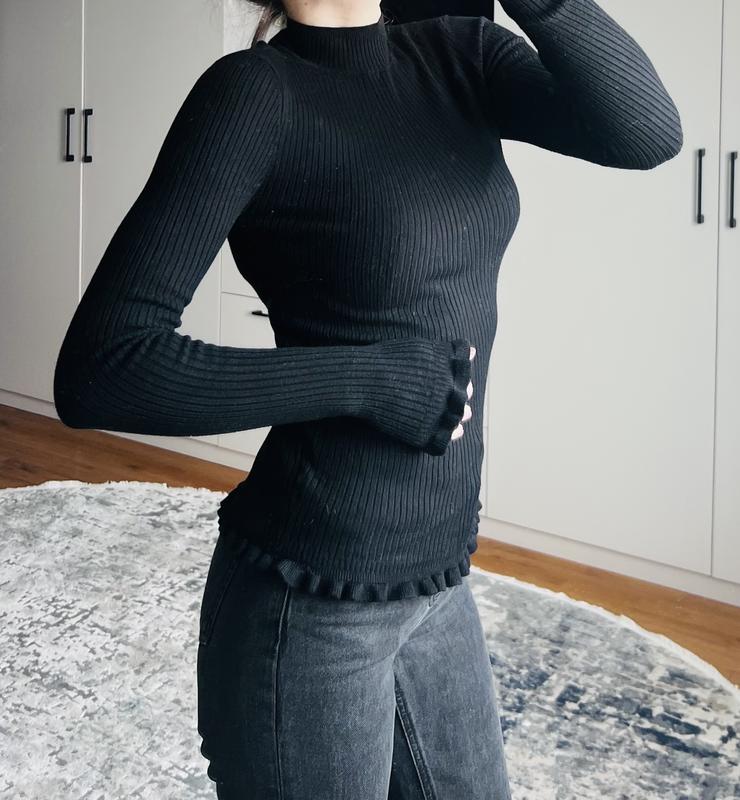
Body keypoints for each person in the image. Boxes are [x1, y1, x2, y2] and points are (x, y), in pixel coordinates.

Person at [53, 0, 683, 796]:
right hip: (312, 596)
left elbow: (645, 135)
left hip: (436, 578)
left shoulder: (461, 55)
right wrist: (371, 377)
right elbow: (106, 368)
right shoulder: (255, 95)